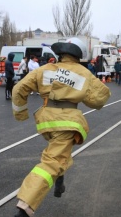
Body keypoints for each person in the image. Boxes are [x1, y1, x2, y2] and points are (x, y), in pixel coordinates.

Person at [12, 37, 111, 217]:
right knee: (52, 163)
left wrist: (21, 114)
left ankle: (60, 181)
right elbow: (99, 99)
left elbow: (19, 89)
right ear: (80, 53)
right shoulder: (84, 73)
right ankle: (24, 208)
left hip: (46, 122)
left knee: (58, 153)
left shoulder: (43, 70)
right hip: (67, 123)